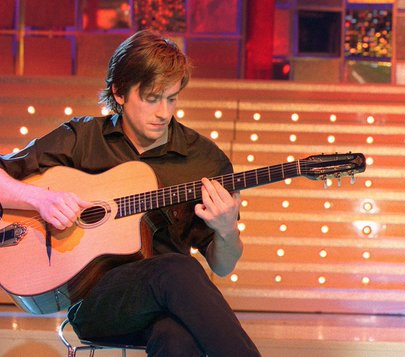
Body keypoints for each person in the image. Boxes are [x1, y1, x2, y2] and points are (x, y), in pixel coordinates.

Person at [0, 30, 261, 357]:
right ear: (119, 92)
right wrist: (39, 199)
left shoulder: (205, 160)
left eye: (172, 98)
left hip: (172, 301)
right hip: (98, 303)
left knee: (177, 337)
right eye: (152, 98)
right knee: (177, 268)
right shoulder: (82, 138)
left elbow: (222, 266)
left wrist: (226, 231)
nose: (164, 112)